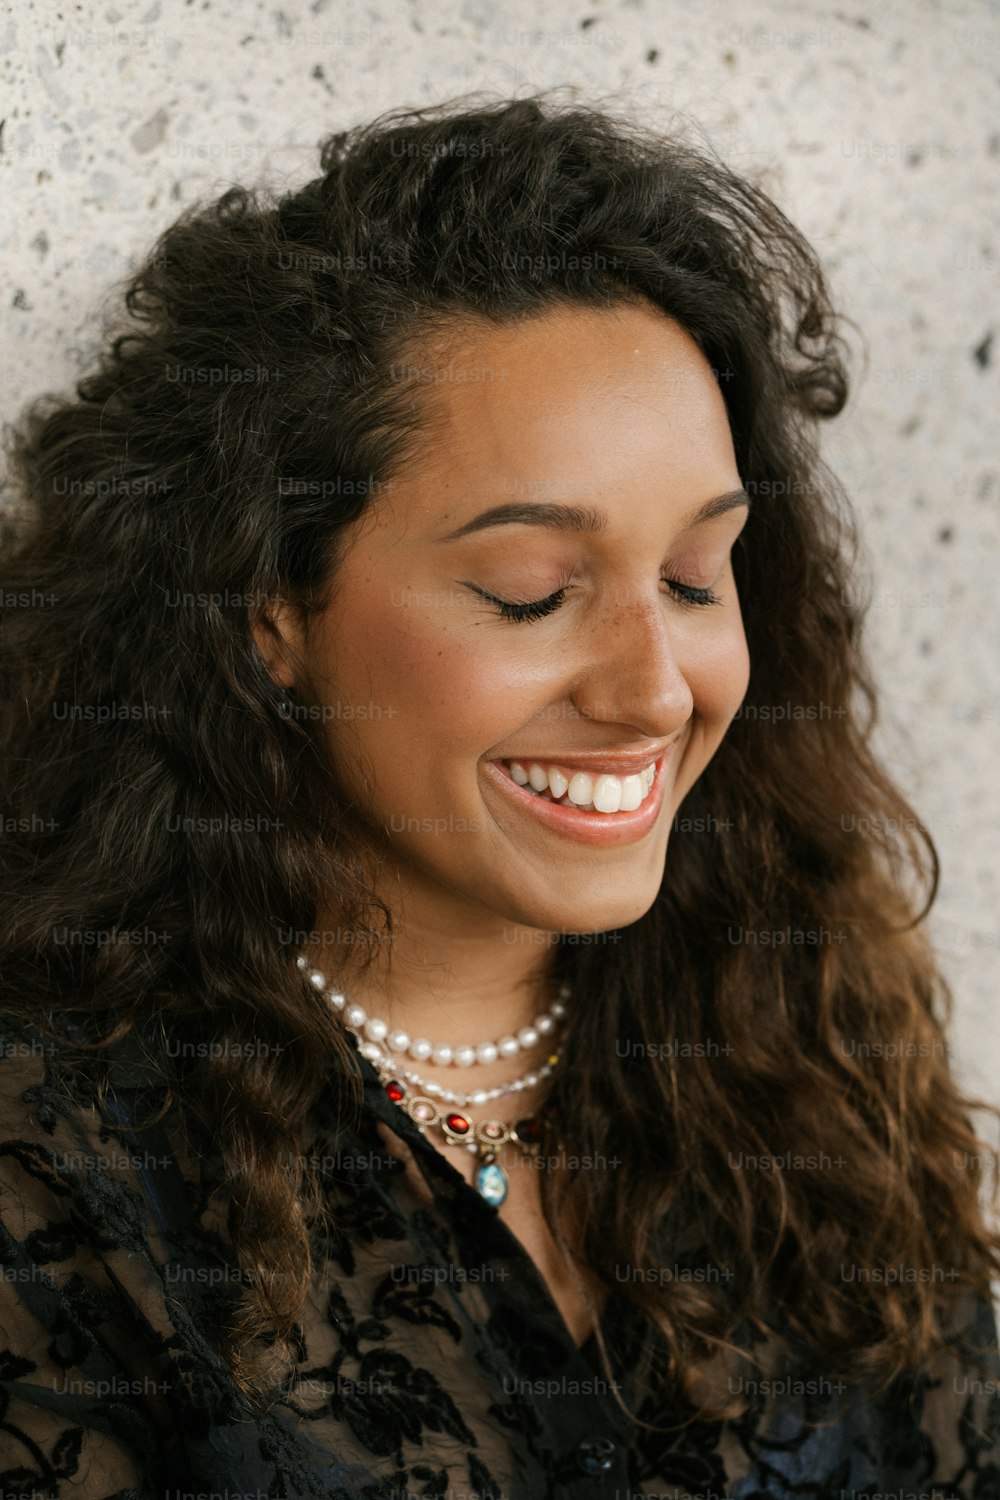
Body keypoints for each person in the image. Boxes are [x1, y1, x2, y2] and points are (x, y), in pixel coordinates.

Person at [1, 90, 998, 1500]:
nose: (654, 690)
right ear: (268, 611)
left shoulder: (815, 1067)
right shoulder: (63, 1179)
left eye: (696, 578)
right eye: (533, 595)